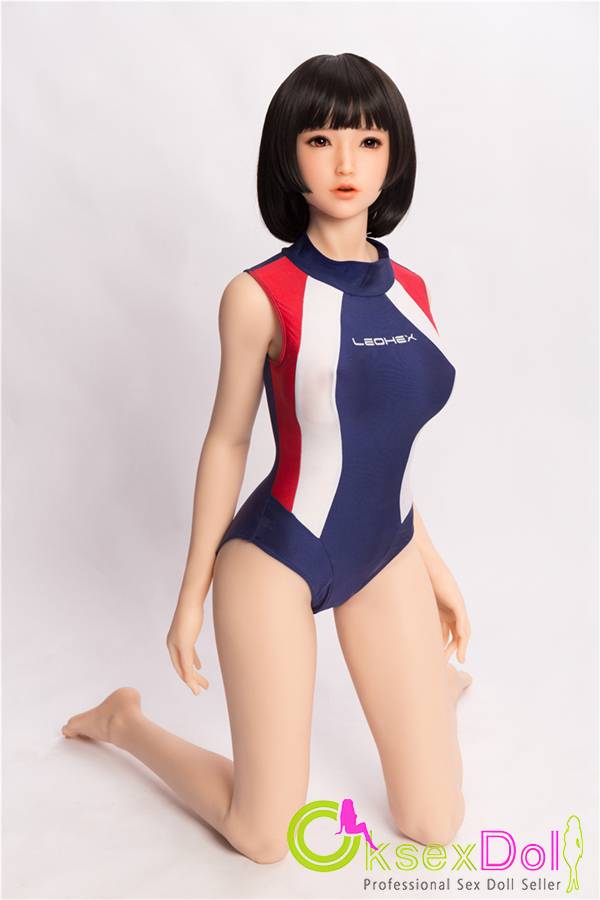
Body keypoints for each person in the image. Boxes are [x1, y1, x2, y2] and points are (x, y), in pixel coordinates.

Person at [62, 52, 473, 865]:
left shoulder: (414, 292)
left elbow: (385, 444)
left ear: (394, 156)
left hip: (383, 548)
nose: (346, 162)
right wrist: (192, 593)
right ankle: (125, 722)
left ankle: (431, 692)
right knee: (263, 835)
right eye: (321, 140)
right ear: (290, 156)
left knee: (435, 824)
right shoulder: (258, 295)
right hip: (280, 555)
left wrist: (432, 562)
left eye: (369, 141)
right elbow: (228, 440)